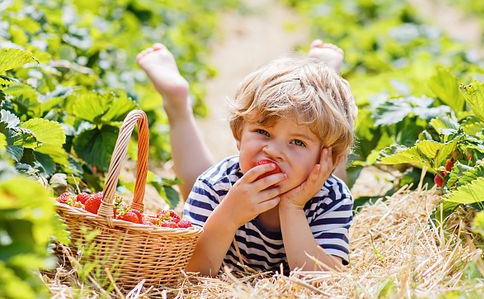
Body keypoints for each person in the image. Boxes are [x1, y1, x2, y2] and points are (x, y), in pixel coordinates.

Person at [136, 41, 356, 275]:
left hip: (320, 172)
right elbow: (192, 274)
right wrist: (229, 214)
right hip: (221, 191)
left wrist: (293, 207)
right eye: (263, 132)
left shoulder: (330, 198)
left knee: (331, 156)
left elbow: (322, 280)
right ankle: (177, 105)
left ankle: (323, 77)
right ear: (239, 134)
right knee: (194, 183)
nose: (273, 151)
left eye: (297, 142)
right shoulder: (215, 184)